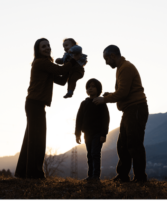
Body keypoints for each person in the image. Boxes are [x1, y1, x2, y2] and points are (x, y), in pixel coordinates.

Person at [14, 38, 83, 180]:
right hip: (34, 104)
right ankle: (34, 174)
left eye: (48, 45)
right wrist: (73, 60)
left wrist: (72, 70)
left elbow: (62, 80)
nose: (47, 48)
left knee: (31, 139)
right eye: (43, 46)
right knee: (37, 139)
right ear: (38, 50)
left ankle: (22, 172)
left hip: (36, 104)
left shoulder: (47, 65)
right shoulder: (41, 63)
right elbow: (61, 69)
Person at [93, 45, 149, 183]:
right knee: (122, 144)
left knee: (134, 143)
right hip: (129, 110)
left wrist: (105, 99)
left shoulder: (126, 68)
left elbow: (123, 92)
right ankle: (123, 176)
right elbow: (124, 92)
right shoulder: (121, 68)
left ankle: (140, 177)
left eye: (106, 59)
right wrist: (109, 95)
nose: (106, 62)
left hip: (136, 109)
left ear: (112, 55)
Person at [75, 78, 110, 181]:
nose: (90, 88)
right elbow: (79, 119)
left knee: (95, 154)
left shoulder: (101, 103)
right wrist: (77, 134)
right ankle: (90, 176)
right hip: (87, 134)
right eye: (88, 87)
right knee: (89, 154)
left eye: (93, 86)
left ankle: (96, 176)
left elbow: (105, 119)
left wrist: (104, 134)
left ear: (98, 89)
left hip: (98, 134)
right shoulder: (84, 103)